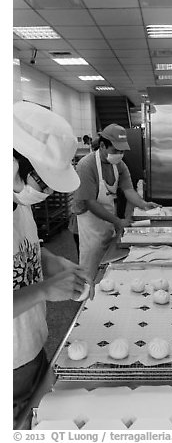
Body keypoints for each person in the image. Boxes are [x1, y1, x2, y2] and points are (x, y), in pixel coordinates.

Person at [13, 101, 94, 426]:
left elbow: (26, 249)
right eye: (42, 182)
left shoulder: (17, 203)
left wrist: (53, 260)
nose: (45, 192)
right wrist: (46, 289)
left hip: (32, 348)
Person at [73, 123, 159, 280]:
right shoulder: (86, 165)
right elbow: (90, 203)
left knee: (107, 259)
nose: (119, 154)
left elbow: (129, 191)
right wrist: (118, 221)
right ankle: (87, 296)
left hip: (106, 218)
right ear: (103, 145)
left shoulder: (119, 165)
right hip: (88, 223)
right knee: (90, 265)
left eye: (122, 151)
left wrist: (144, 205)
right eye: (115, 150)